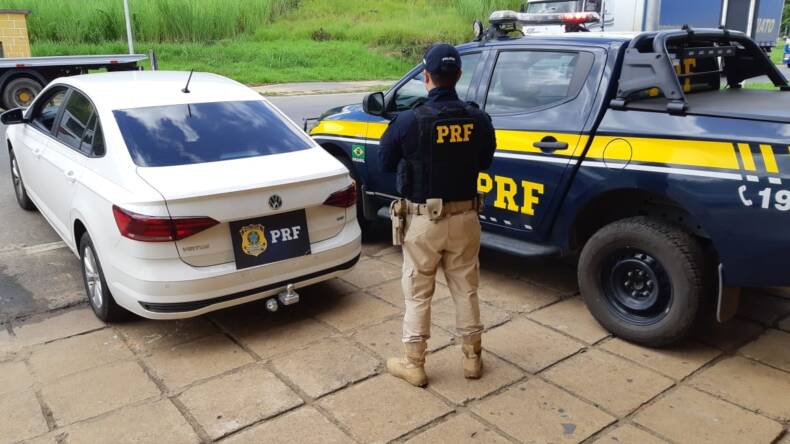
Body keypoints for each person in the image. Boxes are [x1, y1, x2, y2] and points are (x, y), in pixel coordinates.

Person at [378, 43, 497, 387]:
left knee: (417, 293)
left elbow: (385, 162)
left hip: (423, 222)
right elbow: (485, 160)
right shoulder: (478, 118)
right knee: (466, 289)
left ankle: (414, 364)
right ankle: (472, 359)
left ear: (426, 76)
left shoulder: (409, 120)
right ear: (458, 75)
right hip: (466, 219)